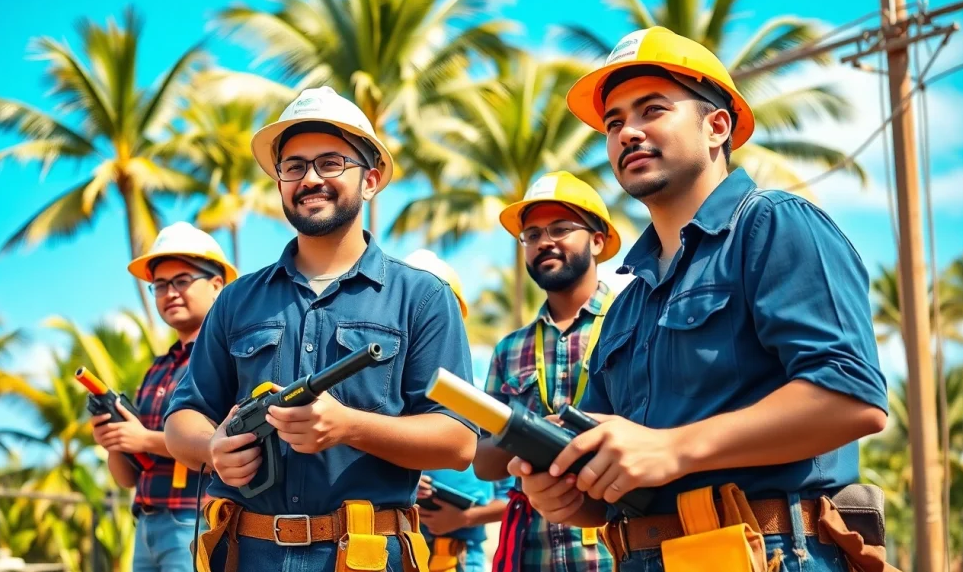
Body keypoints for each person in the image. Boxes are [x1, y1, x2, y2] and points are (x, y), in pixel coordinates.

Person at [511, 27, 891, 571]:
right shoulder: (626, 306)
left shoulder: (773, 224)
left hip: (770, 553)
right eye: (614, 122)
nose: (627, 133)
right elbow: (614, 472)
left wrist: (672, 448)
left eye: (652, 110)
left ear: (717, 126)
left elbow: (852, 399)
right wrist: (569, 492)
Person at [162, 86, 479, 572]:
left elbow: (458, 440)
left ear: (370, 180)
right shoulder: (236, 299)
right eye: (293, 166)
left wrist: (350, 426)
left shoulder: (424, 297)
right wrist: (213, 447)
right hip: (245, 555)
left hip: (367, 557)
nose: (310, 179)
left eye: (331, 163)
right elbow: (183, 417)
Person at [473, 171, 620, 572]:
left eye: (560, 229)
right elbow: (483, 462)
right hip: (531, 555)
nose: (544, 242)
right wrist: (533, 433)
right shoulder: (509, 348)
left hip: (617, 552)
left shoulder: (631, 324)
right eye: (532, 235)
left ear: (597, 240)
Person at [90, 221, 237, 572]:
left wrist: (144, 438)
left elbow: (226, 442)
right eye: (159, 285)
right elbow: (127, 477)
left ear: (217, 285)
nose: (169, 293)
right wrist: (115, 442)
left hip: (196, 519)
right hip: (146, 524)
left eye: (182, 281)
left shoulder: (230, 358)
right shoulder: (157, 369)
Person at [402, 249, 513, 572]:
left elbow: (517, 497)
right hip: (398, 552)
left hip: (465, 560)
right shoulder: (381, 402)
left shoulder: (480, 404)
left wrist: (465, 518)